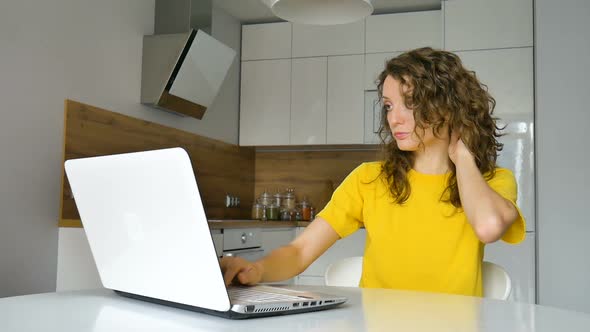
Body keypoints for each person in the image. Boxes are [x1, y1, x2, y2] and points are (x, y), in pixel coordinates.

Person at [221, 47, 525, 297]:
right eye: (389, 106)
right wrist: (257, 270)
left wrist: (463, 156)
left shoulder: (491, 182)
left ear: (448, 107)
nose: (395, 118)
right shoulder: (368, 179)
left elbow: (487, 227)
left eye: (410, 103)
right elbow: (300, 252)